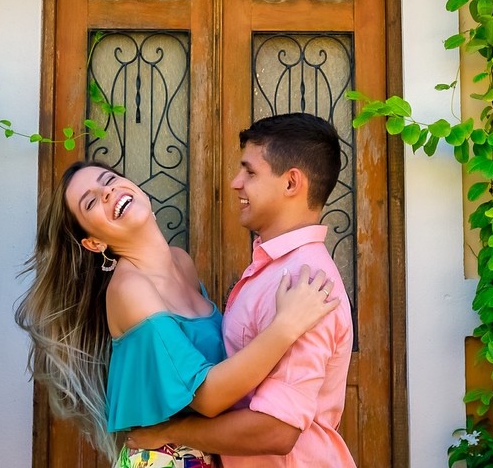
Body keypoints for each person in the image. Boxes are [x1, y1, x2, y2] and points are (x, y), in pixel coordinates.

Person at [16, 159, 340, 467]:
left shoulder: (181, 262)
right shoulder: (130, 290)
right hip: (166, 459)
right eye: (91, 202)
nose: (108, 193)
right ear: (93, 243)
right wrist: (286, 326)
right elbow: (207, 396)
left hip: (209, 452)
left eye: (110, 180)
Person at [128, 112, 356, 466]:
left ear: (291, 183)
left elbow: (277, 430)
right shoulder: (275, 267)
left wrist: (171, 432)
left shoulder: (306, 283)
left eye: (250, 172)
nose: (236, 183)